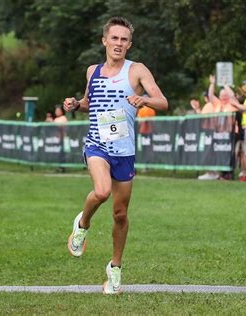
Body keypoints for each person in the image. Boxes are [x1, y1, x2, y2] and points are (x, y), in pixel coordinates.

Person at [63, 16, 168, 295]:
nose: (119, 44)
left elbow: (162, 101)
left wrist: (144, 99)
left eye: (124, 40)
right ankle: (82, 223)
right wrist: (76, 104)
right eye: (114, 38)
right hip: (97, 144)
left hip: (124, 150)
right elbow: (89, 102)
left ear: (129, 44)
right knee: (101, 191)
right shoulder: (92, 71)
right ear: (104, 41)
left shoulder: (137, 71)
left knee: (120, 215)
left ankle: (115, 269)